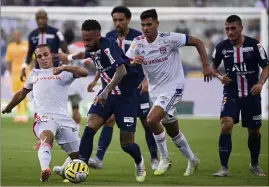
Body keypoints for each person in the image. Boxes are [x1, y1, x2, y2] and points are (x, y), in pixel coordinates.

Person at [56, 19, 147, 182]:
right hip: (109, 97)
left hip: (126, 98)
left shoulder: (108, 46)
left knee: (126, 144)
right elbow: (86, 55)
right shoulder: (92, 47)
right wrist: (68, 56)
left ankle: (139, 161)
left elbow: (121, 71)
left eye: (88, 39)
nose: (85, 42)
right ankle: (79, 166)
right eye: (83, 39)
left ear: (98, 36)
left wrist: (104, 91)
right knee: (90, 127)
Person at [126, 9, 213, 176]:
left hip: (174, 87)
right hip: (155, 90)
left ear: (157, 24)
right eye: (143, 25)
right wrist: (132, 62)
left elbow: (197, 42)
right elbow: (126, 62)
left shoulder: (170, 38)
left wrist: (205, 65)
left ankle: (164, 159)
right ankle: (193, 159)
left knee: (151, 119)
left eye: (149, 24)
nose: (146, 28)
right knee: (173, 131)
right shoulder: (138, 42)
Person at [2, 44, 89, 182]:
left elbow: (84, 72)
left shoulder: (63, 72)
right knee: (46, 137)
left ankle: (62, 170)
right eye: (39, 56)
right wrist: (9, 107)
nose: (43, 58)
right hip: (44, 117)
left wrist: (65, 67)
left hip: (64, 119)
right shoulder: (34, 74)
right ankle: (45, 169)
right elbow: (21, 94)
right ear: (36, 59)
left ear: (52, 55)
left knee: (80, 159)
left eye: (45, 54)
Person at [87, 6, 158, 170]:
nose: (117, 23)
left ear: (128, 20)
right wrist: (96, 80)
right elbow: (103, 63)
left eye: (121, 20)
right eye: (115, 20)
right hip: (114, 89)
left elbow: (151, 60)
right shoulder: (109, 37)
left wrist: (147, 79)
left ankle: (154, 158)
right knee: (109, 120)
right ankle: (98, 158)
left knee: (147, 121)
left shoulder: (139, 37)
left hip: (136, 86)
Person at [211, 15, 268, 177]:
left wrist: (260, 83)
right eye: (227, 29)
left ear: (241, 28)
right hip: (231, 94)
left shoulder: (254, 46)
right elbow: (213, 67)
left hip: (251, 95)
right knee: (226, 124)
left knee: (254, 131)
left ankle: (254, 164)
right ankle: (223, 167)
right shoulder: (221, 47)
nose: (230, 32)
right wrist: (220, 77)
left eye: (233, 28)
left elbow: (266, 66)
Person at [20, 9, 69, 82]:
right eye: (38, 18)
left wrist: (64, 66)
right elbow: (29, 53)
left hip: (55, 71)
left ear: (47, 19)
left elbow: (65, 49)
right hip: (38, 72)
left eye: (42, 18)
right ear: (36, 20)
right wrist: (23, 67)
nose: (40, 20)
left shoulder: (56, 32)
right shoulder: (32, 35)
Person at [5, 30, 29, 122]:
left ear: (20, 35)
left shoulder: (26, 45)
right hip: (15, 74)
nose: (16, 37)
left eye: (17, 35)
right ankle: (18, 113)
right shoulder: (10, 47)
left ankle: (24, 114)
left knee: (24, 93)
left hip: (25, 72)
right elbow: (8, 60)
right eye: (14, 35)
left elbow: (32, 57)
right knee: (15, 94)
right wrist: (7, 72)